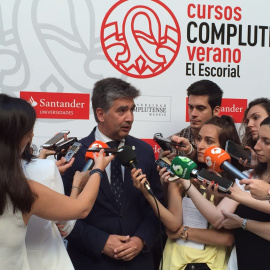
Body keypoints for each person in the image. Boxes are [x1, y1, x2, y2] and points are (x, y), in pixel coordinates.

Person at [0, 93, 114, 270]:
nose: (32, 134)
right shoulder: (24, 191)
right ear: (18, 138)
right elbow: (80, 210)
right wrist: (98, 169)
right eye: (29, 130)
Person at [62, 78, 164, 270]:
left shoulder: (144, 151)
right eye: (122, 110)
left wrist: (141, 240)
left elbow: (157, 205)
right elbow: (62, 215)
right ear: (101, 114)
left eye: (132, 109)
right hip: (91, 262)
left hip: (139, 263)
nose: (130, 117)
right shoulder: (75, 155)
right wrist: (100, 242)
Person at [132, 115, 240, 270]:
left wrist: (183, 232)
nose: (201, 145)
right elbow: (172, 226)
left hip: (212, 264)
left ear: (223, 147)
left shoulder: (234, 186)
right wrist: (147, 193)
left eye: (209, 141)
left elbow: (226, 237)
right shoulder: (184, 172)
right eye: (199, 139)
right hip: (175, 261)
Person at [175, 116, 270, 270]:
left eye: (266, 142)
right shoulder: (250, 175)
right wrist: (187, 185)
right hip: (245, 259)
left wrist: (242, 222)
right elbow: (219, 218)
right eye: (258, 138)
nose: (257, 146)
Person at [161, 80, 223, 161]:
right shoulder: (171, 145)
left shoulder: (227, 144)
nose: (193, 113)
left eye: (200, 108)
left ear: (216, 111)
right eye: (190, 107)